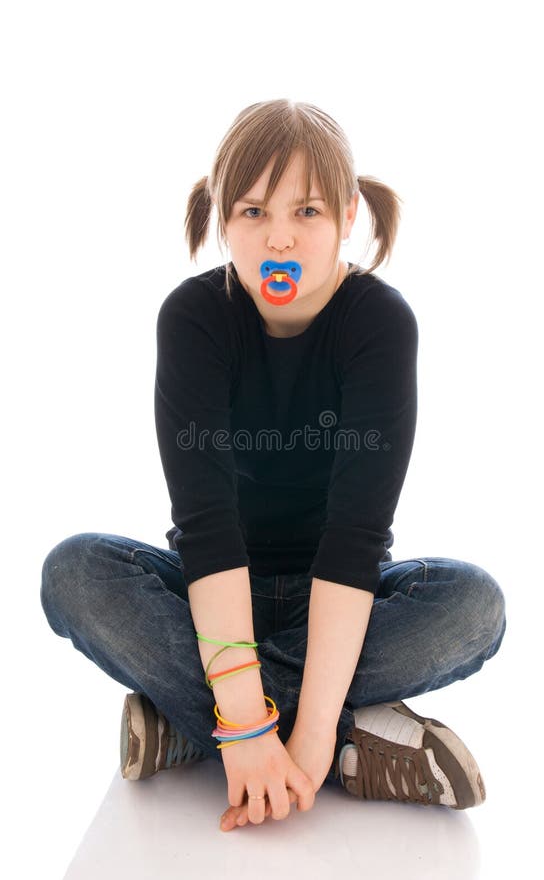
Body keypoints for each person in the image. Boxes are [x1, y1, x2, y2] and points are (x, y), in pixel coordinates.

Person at [40, 98, 506, 832]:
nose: (279, 237)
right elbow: (207, 530)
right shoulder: (193, 318)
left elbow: (356, 539)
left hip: (339, 600)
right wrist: (249, 728)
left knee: (473, 608)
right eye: (253, 211)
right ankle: (354, 743)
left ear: (347, 216)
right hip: (213, 591)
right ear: (221, 218)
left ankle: (191, 725)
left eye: (307, 211)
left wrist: (303, 735)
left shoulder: (380, 323)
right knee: (74, 573)